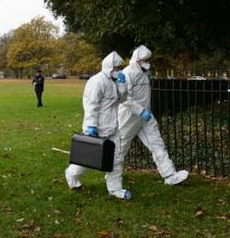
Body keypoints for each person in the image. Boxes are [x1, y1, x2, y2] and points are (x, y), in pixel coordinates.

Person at [64, 51, 132, 200]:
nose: (119, 70)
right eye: (117, 68)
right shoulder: (97, 81)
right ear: (109, 67)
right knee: (90, 158)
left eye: (121, 68)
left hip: (113, 126)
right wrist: (90, 125)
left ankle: (115, 189)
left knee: (117, 158)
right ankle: (72, 174)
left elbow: (122, 100)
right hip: (97, 127)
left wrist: (123, 85)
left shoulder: (115, 82)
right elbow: (90, 104)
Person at [119, 45, 188, 185]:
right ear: (137, 60)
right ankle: (112, 174)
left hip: (145, 118)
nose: (147, 62)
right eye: (145, 60)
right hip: (129, 118)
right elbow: (124, 97)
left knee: (157, 144)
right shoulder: (127, 73)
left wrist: (146, 112)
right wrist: (140, 111)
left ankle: (170, 176)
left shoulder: (144, 73)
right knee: (121, 147)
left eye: (148, 59)